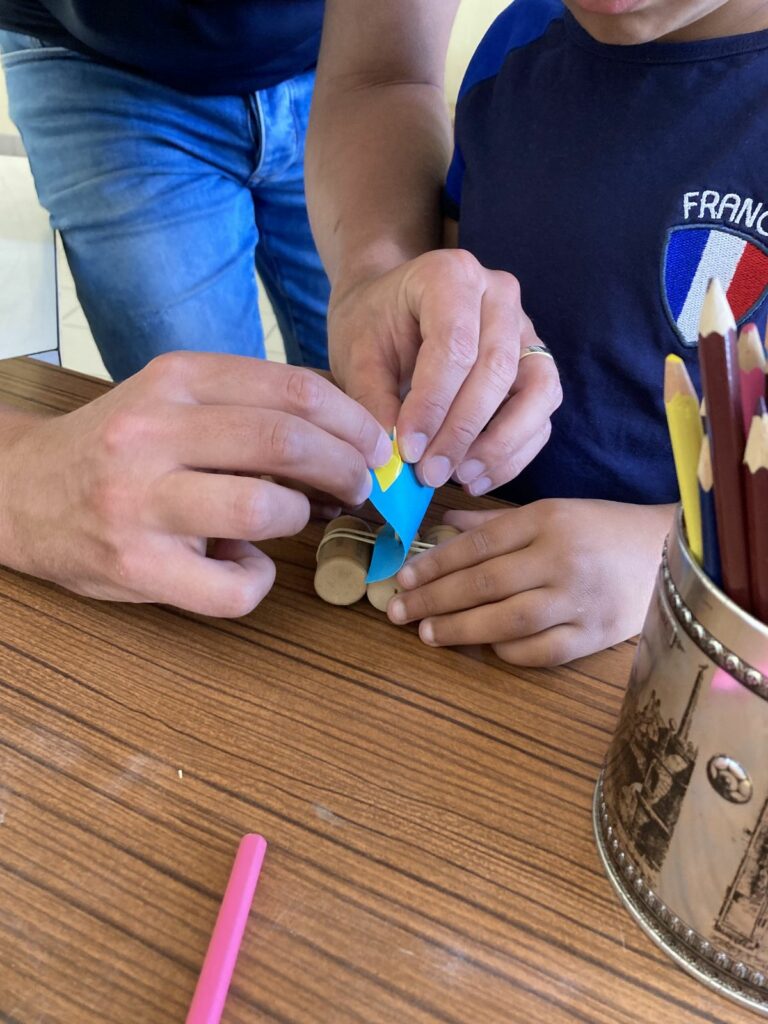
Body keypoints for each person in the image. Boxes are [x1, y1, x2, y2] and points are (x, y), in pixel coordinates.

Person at [0, 2, 561, 615]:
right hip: (99, 62)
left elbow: (386, 73)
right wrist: (23, 479)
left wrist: (371, 277)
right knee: (196, 476)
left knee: (347, 405)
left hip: (335, 67)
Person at [387, 0, 768, 666]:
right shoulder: (518, 43)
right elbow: (459, 263)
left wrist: (669, 554)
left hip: (688, 657)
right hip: (455, 604)